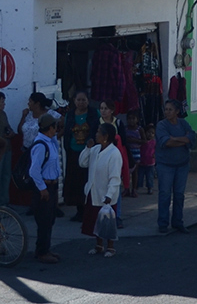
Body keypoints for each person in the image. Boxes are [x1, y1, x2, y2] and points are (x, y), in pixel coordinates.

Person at [79, 122, 125, 258]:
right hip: (93, 191)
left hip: (106, 194)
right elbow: (82, 163)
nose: (96, 134)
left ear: (106, 136)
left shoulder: (114, 153)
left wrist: (109, 194)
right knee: (95, 220)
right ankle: (98, 245)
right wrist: (87, 148)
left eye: (99, 132)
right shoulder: (95, 149)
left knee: (108, 221)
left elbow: (115, 177)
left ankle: (110, 247)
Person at [155, 99, 194, 235]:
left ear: (177, 111)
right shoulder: (161, 125)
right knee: (165, 194)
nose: (167, 112)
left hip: (182, 165)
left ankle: (178, 222)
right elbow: (166, 143)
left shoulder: (183, 123)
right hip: (165, 166)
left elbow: (191, 137)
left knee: (179, 195)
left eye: (170, 109)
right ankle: (163, 223)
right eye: (166, 109)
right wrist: (183, 140)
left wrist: (175, 138)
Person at [26, 113, 62, 263]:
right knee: (44, 220)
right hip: (44, 188)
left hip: (51, 186)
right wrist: (42, 189)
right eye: (55, 126)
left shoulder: (50, 142)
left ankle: (45, 248)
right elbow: (34, 171)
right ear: (50, 128)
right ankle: (41, 252)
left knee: (50, 219)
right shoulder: (41, 145)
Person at [63, 91, 94, 211]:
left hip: (88, 153)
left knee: (86, 180)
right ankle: (79, 210)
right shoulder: (70, 115)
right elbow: (66, 132)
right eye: (78, 100)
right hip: (73, 152)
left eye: (83, 100)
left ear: (88, 101)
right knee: (75, 182)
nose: (81, 102)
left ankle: (87, 210)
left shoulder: (93, 113)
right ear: (74, 101)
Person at [136, 117, 156, 195]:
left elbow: (157, 150)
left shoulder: (154, 142)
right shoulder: (142, 141)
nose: (150, 134)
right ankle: (137, 187)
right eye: (148, 132)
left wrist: (155, 155)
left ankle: (150, 188)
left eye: (152, 133)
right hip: (141, 162)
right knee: (139, 176)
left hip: (150, 163)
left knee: (149, 177)